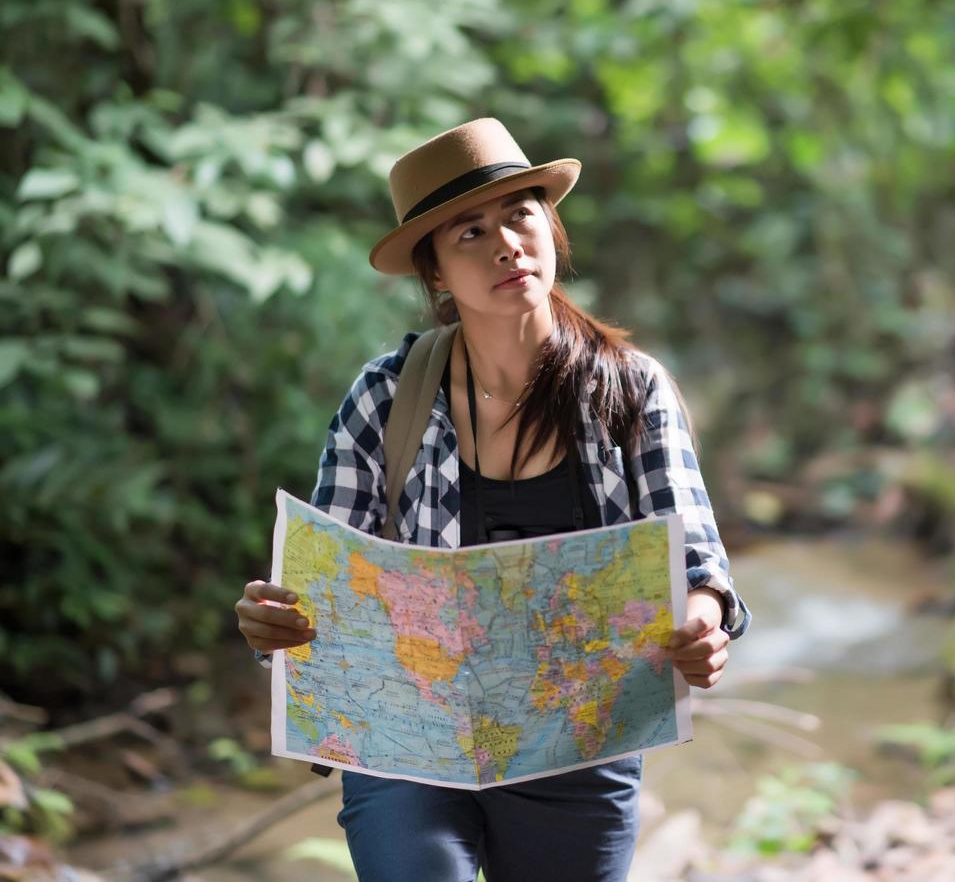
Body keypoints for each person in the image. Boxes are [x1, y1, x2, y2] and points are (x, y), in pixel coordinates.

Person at [233, 118, 750, 881]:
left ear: (550, 225)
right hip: (406, 744)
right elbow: (320, 580)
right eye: (469, 232)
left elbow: (698, 564)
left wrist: (700, 624)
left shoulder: (630, 388)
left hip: (581, 741)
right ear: (436, 273)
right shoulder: (385, 396)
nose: (506, 243)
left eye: (520, 214)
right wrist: (271, 620)